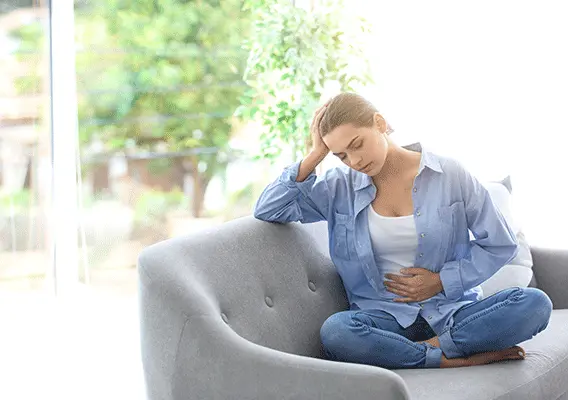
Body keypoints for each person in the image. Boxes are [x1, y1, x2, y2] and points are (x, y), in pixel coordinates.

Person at [253, 92, 552, 369]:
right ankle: (449, 358)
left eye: (357, 144)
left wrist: (441, 281)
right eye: (341, 155)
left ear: (380, 123)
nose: (354, 161)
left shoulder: (450, 175)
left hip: (452, 312)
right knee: (337, 331)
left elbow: (500, 244)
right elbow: (269, 208)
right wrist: (316, 154)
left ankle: (424, 350)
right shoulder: (337, 187)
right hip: (384, 319)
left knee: (534, 304)